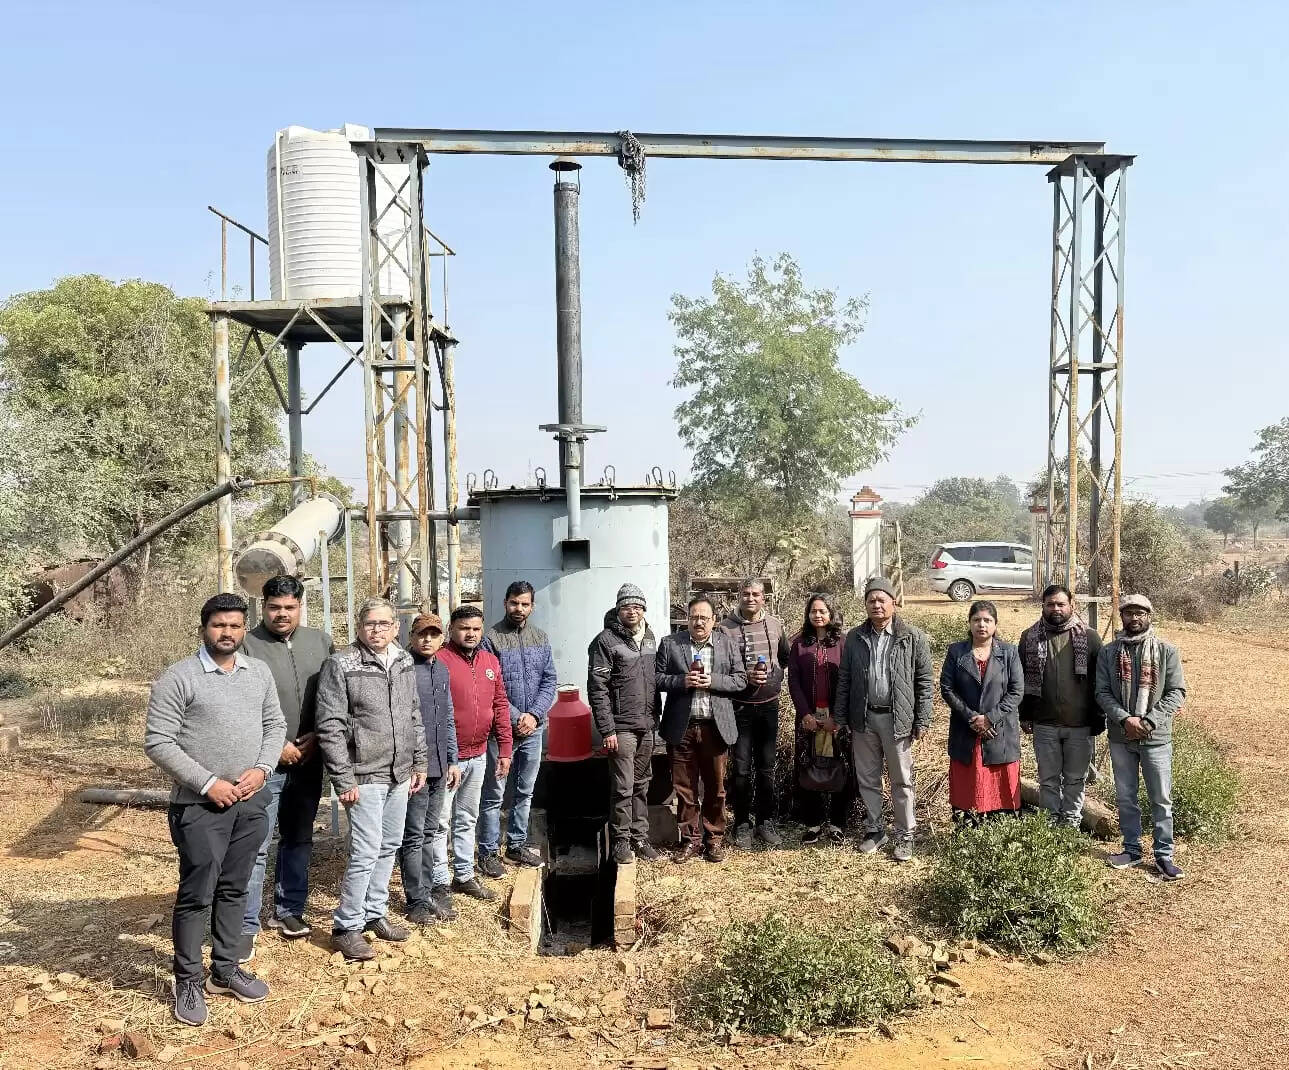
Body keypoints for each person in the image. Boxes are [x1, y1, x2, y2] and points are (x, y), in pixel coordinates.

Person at [144, 593, 285, 1026]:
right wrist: (208, 783)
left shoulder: (257, 672)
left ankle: (224, 970)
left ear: (245, 629)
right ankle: (187, 979)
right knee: (196, 895)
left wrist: (262, 769)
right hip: (199, 807)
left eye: (236, 626)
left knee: (235, 889)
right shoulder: (180, 677)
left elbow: (274, 725)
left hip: (250, 801)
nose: (228, 633)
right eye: (219, 625)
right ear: (204, 628)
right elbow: (159, 741)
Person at [316, 598, 427, 961]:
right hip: (363, 774)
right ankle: (346, 927)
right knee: (365, 850)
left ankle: (374, 912)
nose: (376, 630)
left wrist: (419, 761)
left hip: (400, 771)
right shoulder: (341, 663)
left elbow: (413, 713)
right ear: (359, 627)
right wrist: (343, 778)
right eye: (369, 624)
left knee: (389, 845)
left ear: (396, 627)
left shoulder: (404, 660)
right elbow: (330, 726)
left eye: (384, 623)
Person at [238, 575, 334, 954]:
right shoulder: (247, 643)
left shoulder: (320, 642)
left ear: (300, 606)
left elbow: (331, 695)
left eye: (289, 607)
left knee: (299, 838)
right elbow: (240, 702)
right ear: (263, 607)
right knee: (256, 844)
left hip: (310, 759)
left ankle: (289, 909)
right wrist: (274, 745)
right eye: (274, 607)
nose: (281, 614)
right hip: (263, 763)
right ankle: (245, 921)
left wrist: (318, 736)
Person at [835, 576, 933, 862]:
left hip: (897, 720)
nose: (876, 605)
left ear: (894, 602)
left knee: (902, 779)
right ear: (865, 604)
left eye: (882, 600)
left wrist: (922, 719)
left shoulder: (912, 636)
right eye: (871, 600)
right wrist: (841, 716)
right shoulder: (855, 636)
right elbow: (846, 679)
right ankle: (875, 829)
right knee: (867, 778)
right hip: (864, 719)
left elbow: (924, 681)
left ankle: (905, 833)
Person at [1095, 595, 1188, 880]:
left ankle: (1163, 855)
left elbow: (1176, 692)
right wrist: (1126, 719)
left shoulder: (1165, 651)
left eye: (1140, 613)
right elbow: (1102, 692)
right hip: (1121, 736)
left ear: (1150, 616)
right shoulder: (1109, 653)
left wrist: (1148, 721)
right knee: (1126, 796)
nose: (1134, 618)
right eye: (1129, 613)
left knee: (1161, 798)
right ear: (1121, 616)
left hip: (1156, 737)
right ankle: (1132, 850)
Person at [657, 595, 746, 863]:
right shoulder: (671, 644)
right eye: (694, 617)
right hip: (681, 727)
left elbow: (741, 680)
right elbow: (658, 678)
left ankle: (714, 838)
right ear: (687, 618)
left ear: (714, 621)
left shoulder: (726, 644)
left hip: (715, 726)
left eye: (704, 618)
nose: (698, 622)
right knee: (684, 788)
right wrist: (682, 681)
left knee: (716, 787)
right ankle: (690, 840)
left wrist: (713, 681)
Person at [477, 580, 558, 874]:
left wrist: (534, 716)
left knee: (525, 790)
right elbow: (490, 686)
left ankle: (516, 845)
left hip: (534, 728)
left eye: (524, 604)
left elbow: (550, 680)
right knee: (494, 793)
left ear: (532, 607)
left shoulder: (540, 637)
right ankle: (487, 851)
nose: (519, 609)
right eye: (514, 603)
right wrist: (515, 717)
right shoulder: (491, 639)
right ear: (505, 603)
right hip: (501, 730)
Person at [437, 605, 513, 900]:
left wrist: (504, 749)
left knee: (468, 817)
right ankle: (439, 879)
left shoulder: (490, 661)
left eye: (476, 629)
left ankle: (464, 874)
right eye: (464, 628)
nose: (470, 633)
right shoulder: (440, 661)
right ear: (451, 629)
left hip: (479, 753)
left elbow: (500, 706)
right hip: (448, 759)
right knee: (441, 820)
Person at [1018, 584, 1105, 828]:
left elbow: (1100, 681)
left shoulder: (1089, 637)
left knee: (1076, 779)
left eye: (1060, 604)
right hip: (1044, 723)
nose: (1055, 608)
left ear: (1071, 605)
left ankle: (1071, 823)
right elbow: (1021, 679)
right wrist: (1024, 714)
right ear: (1043, 606)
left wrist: (1098, 717)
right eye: (1050, 604)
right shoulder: (1029, 637)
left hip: (1080, 724)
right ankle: (1049, 822)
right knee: (1048, 779)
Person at [588, 583, 660, 865]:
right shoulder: (605, 641)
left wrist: (656, 720)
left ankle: (640, 836)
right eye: (627, 606)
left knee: (642, 783)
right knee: (623, 786)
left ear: (644, 609)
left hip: (647, 725)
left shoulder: (651, 637)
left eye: (637, 606)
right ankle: (620, 841)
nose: (633, 611)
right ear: (618, 610)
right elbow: (598, 688)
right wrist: (607, 730)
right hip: (622, 728)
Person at [397, 613, 461, 924]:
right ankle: (416, 900)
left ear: (441, 638)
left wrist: (452, 759)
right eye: (422, 634)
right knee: (413, 833)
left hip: (438, 764)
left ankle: (425, 891)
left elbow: (447, 717)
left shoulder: (442, 669)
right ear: (411, 636)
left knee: (429, 831)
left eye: (434, 635)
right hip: (415, 767)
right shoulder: (404, 668)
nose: (427, 640)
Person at [719, 578, 792, 849]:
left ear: (765, 598)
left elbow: (784, 657)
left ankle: (765, 821)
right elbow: (719, 667)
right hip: (739, 707)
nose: (751, 598)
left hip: (769, 705)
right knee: (741, 769)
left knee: (766, 767)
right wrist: (742, 677)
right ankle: (741, 823)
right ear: (739, 596)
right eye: (746, 593)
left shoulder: (775, 625)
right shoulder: (725, 629)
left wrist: (776, 677)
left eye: (756, 594)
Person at [940, 601, 1024, 823]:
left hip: (1000, 731)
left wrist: (990, 719)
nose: (982, 625)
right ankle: (968, 828)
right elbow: (947, 689)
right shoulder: (956, 652)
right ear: (969, 623)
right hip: (965, 729)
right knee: (968, 781)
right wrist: (972, 718)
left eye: (987, 620)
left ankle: (1001, 827)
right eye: (976, 620)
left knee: (1000, 782)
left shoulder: (1009, 652)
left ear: (995, 625)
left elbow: (1016, 691)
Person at [786, 593, 853, 845]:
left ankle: (837, 823)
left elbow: (848, 682)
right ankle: (813, 823)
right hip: (808, 718)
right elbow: (793, 681)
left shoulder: (844, 643)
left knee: (841, 766)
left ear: (831, 613)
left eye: (822, 611)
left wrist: (838, 716)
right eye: (813, 611)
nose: (817, 615)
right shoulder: (799, 644)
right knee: (808, 766)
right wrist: (805, 714)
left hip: (838, 719)